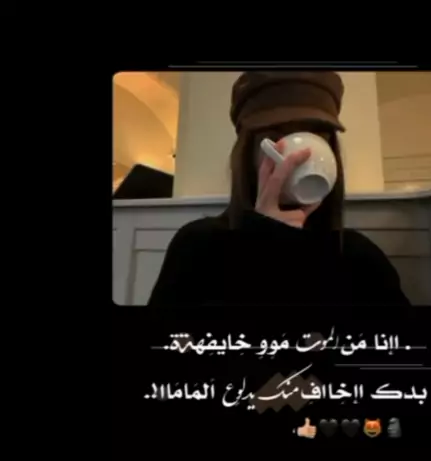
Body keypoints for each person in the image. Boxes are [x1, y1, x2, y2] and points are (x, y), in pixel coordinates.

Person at [148, 71, 410, 308]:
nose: (298, 157)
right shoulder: (198, 247)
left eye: (316, 136)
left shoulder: (359, 257)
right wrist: (262, 252)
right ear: (248, 153)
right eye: (276, 137)